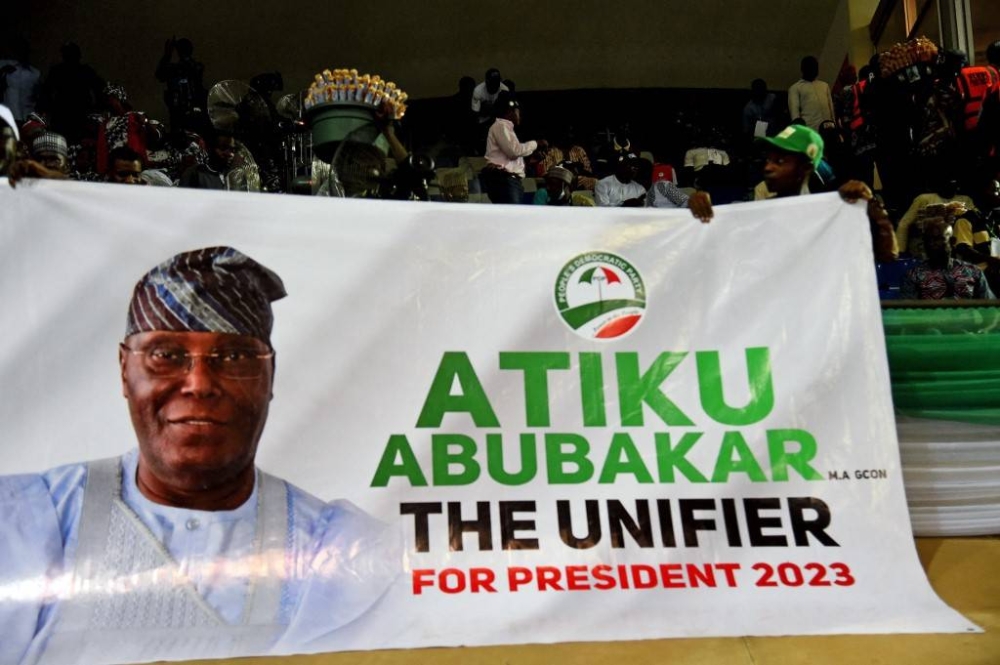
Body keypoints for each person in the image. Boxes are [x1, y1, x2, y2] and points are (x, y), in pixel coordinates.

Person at [0, 247, 399, 664]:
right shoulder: (27, 520)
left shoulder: (340, 548)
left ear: (269, 376)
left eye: (234, 357)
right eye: (166, 355)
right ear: (124, 370)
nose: (198, 384)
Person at [688, 124, 898, 263]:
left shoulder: (834, 212)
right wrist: (698, 216)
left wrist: (871, 207)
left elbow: (887, 255)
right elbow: (713, 254)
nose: (768, 168)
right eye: (768, 160)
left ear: (806, 168)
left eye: (780, 161)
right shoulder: (757, 214)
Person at [900, 219, 995, 299]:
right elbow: (907, 313)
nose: (931, 244)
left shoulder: (973, 272)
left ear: (952, 241)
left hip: (966, 321)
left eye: (938, 239)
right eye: (927, 240)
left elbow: (991, 308)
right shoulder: (914, 276)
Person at [480, 92, 543, 204]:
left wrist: (529, 160)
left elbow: (510, 157)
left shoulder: (506, 128)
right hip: (505, 181)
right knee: (511, 218)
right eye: (518, 111)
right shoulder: (501, 126)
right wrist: (536, 144)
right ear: (510, 111)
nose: (520, 115)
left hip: (510, 181)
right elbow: (514, 151)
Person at [0, 37, 41, 125]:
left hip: (27, 118)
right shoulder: (3, 65)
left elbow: (38, 96)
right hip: (7, 117)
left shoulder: (35, 73)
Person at [788, 56, 835, 130]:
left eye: (816, 68)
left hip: (828, 131)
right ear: (803, 69)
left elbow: (831, 110)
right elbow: (795, 116)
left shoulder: (824, 86)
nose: (814, 70)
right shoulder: (795, 88)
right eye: (811, 67)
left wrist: (835, 127)